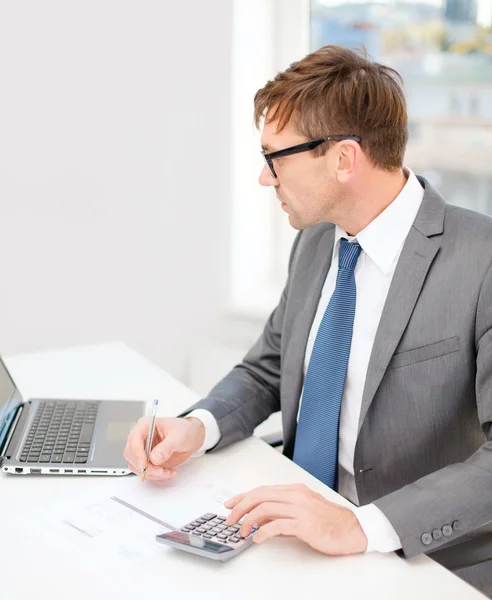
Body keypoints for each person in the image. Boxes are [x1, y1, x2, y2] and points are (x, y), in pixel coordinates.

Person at [124, 45, 492, 596]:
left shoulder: (480, 260)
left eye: (276, 157)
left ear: (345, 159)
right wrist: (197, 427)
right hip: (296, 532)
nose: (264, 178)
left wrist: (358, 526)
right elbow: (270, 366)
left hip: (422, 561)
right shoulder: (317, 240)